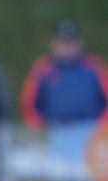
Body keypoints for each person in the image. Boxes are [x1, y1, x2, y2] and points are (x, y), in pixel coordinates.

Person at [21, 21, 108, 157]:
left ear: (79, 43)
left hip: (90, 135)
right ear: (54, 43)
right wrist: (39, 128)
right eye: (62, 42)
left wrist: (102, 127)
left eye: (70, 42)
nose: (66, 47)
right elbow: (29, 102)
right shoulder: (43, 69)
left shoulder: (95, 67)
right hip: (54, 134)